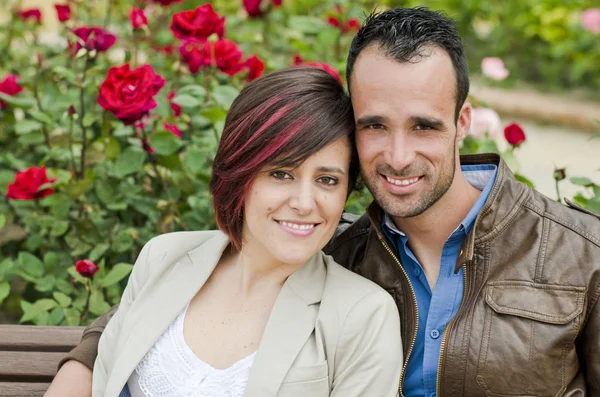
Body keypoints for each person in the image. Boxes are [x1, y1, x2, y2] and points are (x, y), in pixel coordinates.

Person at [49, 6, 600, 397]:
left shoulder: (580, 254)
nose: (399, 155)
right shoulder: (329, 243)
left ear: (462, 124)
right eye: (374, 125)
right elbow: (130, 323)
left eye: (425, 127)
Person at [47, 67, 403, 397]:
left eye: (327, 180)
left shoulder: (363, 315)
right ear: (241, 173)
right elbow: (103, 354)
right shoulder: (163, 258)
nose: (305, 202)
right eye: (281, 173)